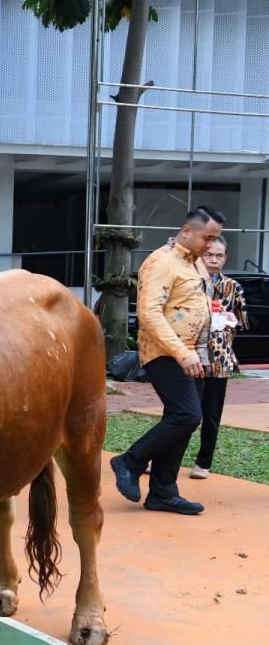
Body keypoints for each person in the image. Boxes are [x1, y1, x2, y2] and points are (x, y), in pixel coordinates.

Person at [110, 206, 223, 516]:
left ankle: (163, 491)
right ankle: (130, 461)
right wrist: (182, 352)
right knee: (187, 415)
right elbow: (148, 314)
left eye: (215, 239)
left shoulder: (195, 264)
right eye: (207, 238)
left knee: (182, 421)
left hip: (194, 354)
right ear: (186, 231)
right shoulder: (161, 262)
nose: (210, 246)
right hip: (165, 352)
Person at [190, 236, 249, 480]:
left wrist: (227, 322)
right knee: (183, 413)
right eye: (209, 255)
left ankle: (203, 463)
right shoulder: (189, 283)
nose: (214, 260)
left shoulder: (233, 286)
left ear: (225, 258)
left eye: (219, 256)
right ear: (199, 256)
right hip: (191, 356)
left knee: (212, 415)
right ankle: (165, 458)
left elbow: (242, 320)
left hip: (220, 357)